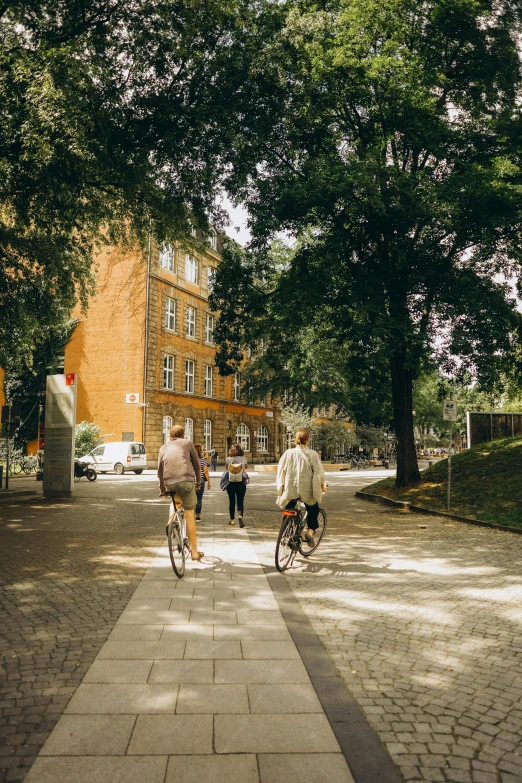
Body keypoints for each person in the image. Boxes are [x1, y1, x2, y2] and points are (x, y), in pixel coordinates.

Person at [158, 424, 204, 561]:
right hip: (186, 480)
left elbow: (159, 472)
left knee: (175, 501)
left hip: (169, 482)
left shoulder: (163, 447)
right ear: (183, 435)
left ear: (170, 436)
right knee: (190, 515)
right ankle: (194, 553)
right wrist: (198, 482)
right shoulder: (187, 443)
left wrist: (162, 490)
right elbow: (196, 464)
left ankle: (171, 521)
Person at [276, 428, 327, 546]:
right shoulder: (313, 454)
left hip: (290, 488)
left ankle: (286, 532)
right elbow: (319, 472)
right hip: (306, 490)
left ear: (296, 440)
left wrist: (280, 487)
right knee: (313, 509)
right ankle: (309, 533)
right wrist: (321, 486)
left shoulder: (288, 453)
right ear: (307, 441)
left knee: (288, 509)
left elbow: (281, 470)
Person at [225, 443, 248, 527]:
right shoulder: (244, 459)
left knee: (232, 501)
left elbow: (226, 468)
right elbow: (246, 467)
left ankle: (232, 520)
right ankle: (240, 516)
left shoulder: (228, 459)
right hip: (241, 483)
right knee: (240, 501)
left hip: (231, 483)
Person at [194, 444, 211, 521]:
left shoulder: (190, 460)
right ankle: (197, 515)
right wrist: (209, 482)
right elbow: (206, 472)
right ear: (200, 451)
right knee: (199, 498)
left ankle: (189, 514)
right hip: (201, 480)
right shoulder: (203, 460)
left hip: (191, 481)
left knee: (190, 498)